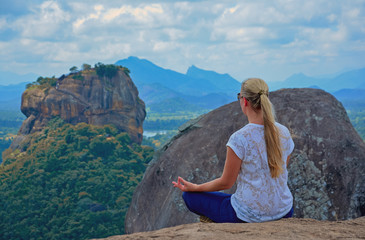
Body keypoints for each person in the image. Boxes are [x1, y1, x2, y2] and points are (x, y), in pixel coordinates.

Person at [172, 78, 295, 223]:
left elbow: (226, 183)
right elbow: (282, 167)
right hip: (284, 211)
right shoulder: (283, 132)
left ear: (245, 102)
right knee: (230, 198)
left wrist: (196, 187)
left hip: (248, 216)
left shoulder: (240, 139)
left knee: (190, 196)